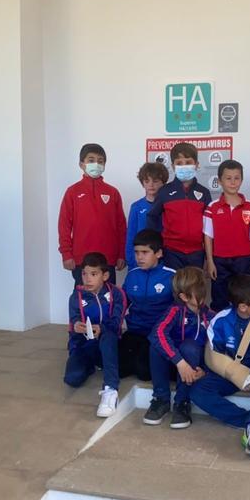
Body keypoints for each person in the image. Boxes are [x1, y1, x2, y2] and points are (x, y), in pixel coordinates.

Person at [190, 274, 250, 458]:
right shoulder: (221, 321)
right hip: (236, 369)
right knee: (199, 392)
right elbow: (213, 357)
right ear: (243, 307)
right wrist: (237, 375)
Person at [146, 266, 211, 428]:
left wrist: (205, 371)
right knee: (155, 346)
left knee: (190, 346)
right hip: (174, 364)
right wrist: (180, 362)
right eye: (198, 289)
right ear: (183, 296)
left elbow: (217, 348)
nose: (203, 292)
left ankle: (182, 403)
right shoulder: (175, 311)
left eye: (203, 287)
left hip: (194, 370)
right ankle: (161, 399)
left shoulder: (211, 316)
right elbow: (157, 333)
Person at [63, 252, 127, 418]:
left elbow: (116, 322)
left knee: (108, 336)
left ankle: (110, 390)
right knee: (72, 379)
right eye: (84, 274)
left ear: (105, 276)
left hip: (108, 342)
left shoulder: (116, 294)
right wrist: (76, 326)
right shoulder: (76, 296)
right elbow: (73, 322)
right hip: (84, 345)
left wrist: (102, 328)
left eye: (93, 274)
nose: (87, 279)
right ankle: (92, 364)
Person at [58, 143, 125, 285]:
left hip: (108, 258)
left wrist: (121, 254)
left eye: (100, 161)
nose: (96, 164)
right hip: (81, 258)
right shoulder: (72, 192)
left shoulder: (113, 192)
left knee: (108, 295)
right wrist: (66, 253)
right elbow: (64, 225)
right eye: (91, 160)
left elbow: (121, 226)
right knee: (83, 296)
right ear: (81, 164)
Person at [203, 160, 250, 312]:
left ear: (241, 180)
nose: (233, 182)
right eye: (228, 178)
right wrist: (210, 262)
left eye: (237, 178)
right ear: (220, 181)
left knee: (244, 297)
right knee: (219, 298)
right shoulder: (212, 207)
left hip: (245, 259)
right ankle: (220, 325)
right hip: (220, 260)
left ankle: (243, 325)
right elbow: (208, 237)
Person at [120, 228, 175, 385]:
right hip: (135, 331)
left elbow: (179, 310)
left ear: (158, 253)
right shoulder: (132, 275)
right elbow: (122, 303)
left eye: (145, 252)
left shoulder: (172, 276)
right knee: (119, 370)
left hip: (157, 334)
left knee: (143, 373)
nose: (139, 257)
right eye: (137, 252)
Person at [148, 142, 212, 271]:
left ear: (196, 164)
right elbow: (152, 217)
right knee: (173, 283)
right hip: (171, 252)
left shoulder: (204, 192)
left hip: (197, 252)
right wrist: (157, 246)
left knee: (195, 284)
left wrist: (208, 256)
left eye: (188, 162)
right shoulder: (164, 192)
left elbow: (209, 227)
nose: (184, 166)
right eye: (179, 163)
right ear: (173, 166)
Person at [125, 161, 168, 270]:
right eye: (147, 181)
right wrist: (131, 261)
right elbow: (131, 236)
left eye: (155, 181)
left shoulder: (168, 206)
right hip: (140, 261)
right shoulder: (136, 207)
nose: (151, 185)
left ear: (163, 182)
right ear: (142, 183)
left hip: (163, 260)